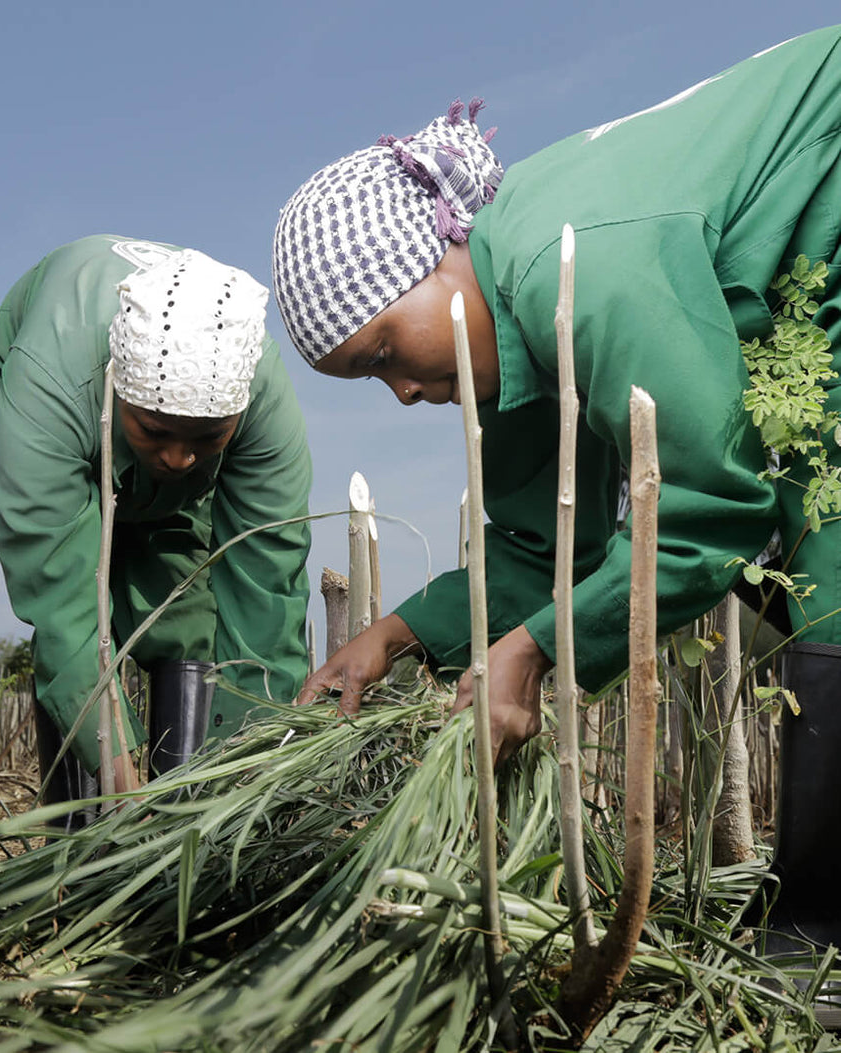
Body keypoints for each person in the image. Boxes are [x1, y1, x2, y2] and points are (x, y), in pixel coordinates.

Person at [272, 28, 841, 1001]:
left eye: (380, 353)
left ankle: (814, 945)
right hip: (802, 297)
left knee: (825, 568)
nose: (402, 393)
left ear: (442, 256)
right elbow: (540, 551)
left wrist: (529, 653)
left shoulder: (571, 261)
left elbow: (702, 508)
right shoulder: (514, 360)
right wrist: (392, 639)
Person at [0, 235, 312, 817]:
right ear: (121, 396)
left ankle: (190, 813)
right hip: (72, 411)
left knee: (187, 602)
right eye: (156, 432)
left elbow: (268, 578)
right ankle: (78, 850)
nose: (178, 459)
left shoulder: (259, 392)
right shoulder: (48, 385)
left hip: (171, 443)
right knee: (78, 615)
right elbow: (58, 587)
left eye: (207, 439)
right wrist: (120, 778)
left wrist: (252, 764)